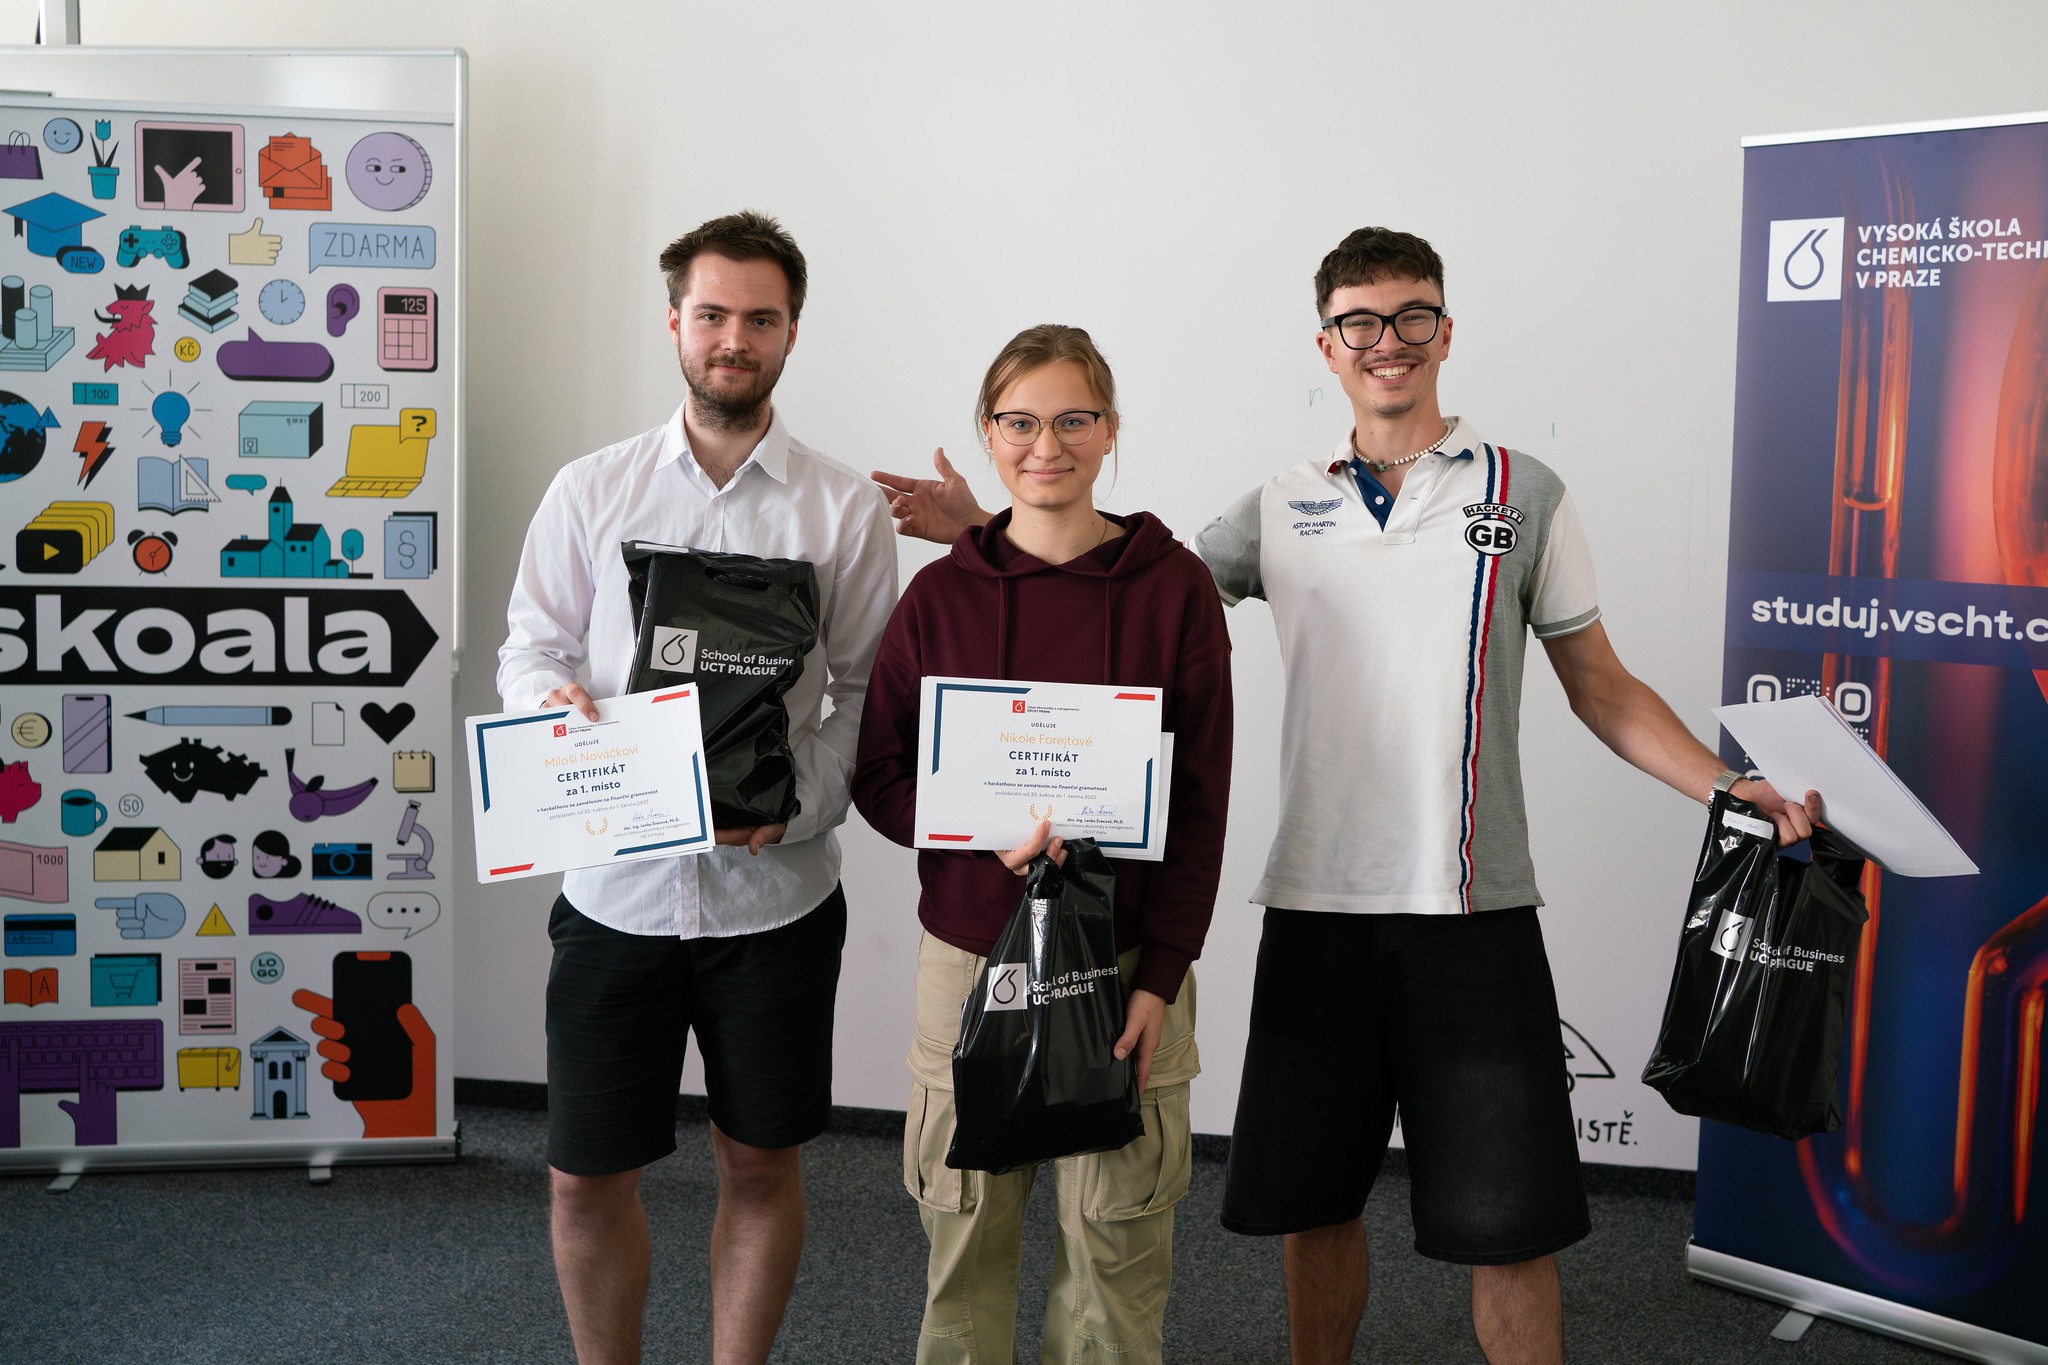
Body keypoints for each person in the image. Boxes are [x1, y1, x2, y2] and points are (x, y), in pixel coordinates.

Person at [871, 228, 1822, 1365]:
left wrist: (1727, 784)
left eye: (1412, 316)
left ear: (1444, 333)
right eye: (1359, 322)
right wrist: (984, 531)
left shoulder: (1526, 492)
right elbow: (1105, 580)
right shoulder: (1278, 503)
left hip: (1471, 912)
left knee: (1512, 1223)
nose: (1387, 341)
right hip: (1314, 912)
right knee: (1311, 1207)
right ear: (1326, 346)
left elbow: (1602, 688)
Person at [496, 210, 896, 1365]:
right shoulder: (592, 489)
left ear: (790, 333)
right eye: (712, 314)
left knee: (759, 1166)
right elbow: (532, 646)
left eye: (759, 319)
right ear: (673, 321)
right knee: (582, 1179)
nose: (734, 339)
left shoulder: (842, 509)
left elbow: (867, 693)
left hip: (772, 903)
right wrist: (552, 705)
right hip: (615, 895)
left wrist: (796, 803)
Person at [852, 324, 1233, 1364]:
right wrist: (981, 833)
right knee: (964, 1241)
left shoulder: (1174, 590)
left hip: (1125, 966)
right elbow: (879, 776)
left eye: (1073, 419)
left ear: (1109, 430)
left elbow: (1201, 803)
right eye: (1019, 422)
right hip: (969, 961)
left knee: (1113, 1253)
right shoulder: (938, 597)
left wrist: (1162, 975)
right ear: (987, 433)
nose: (1046, 445)